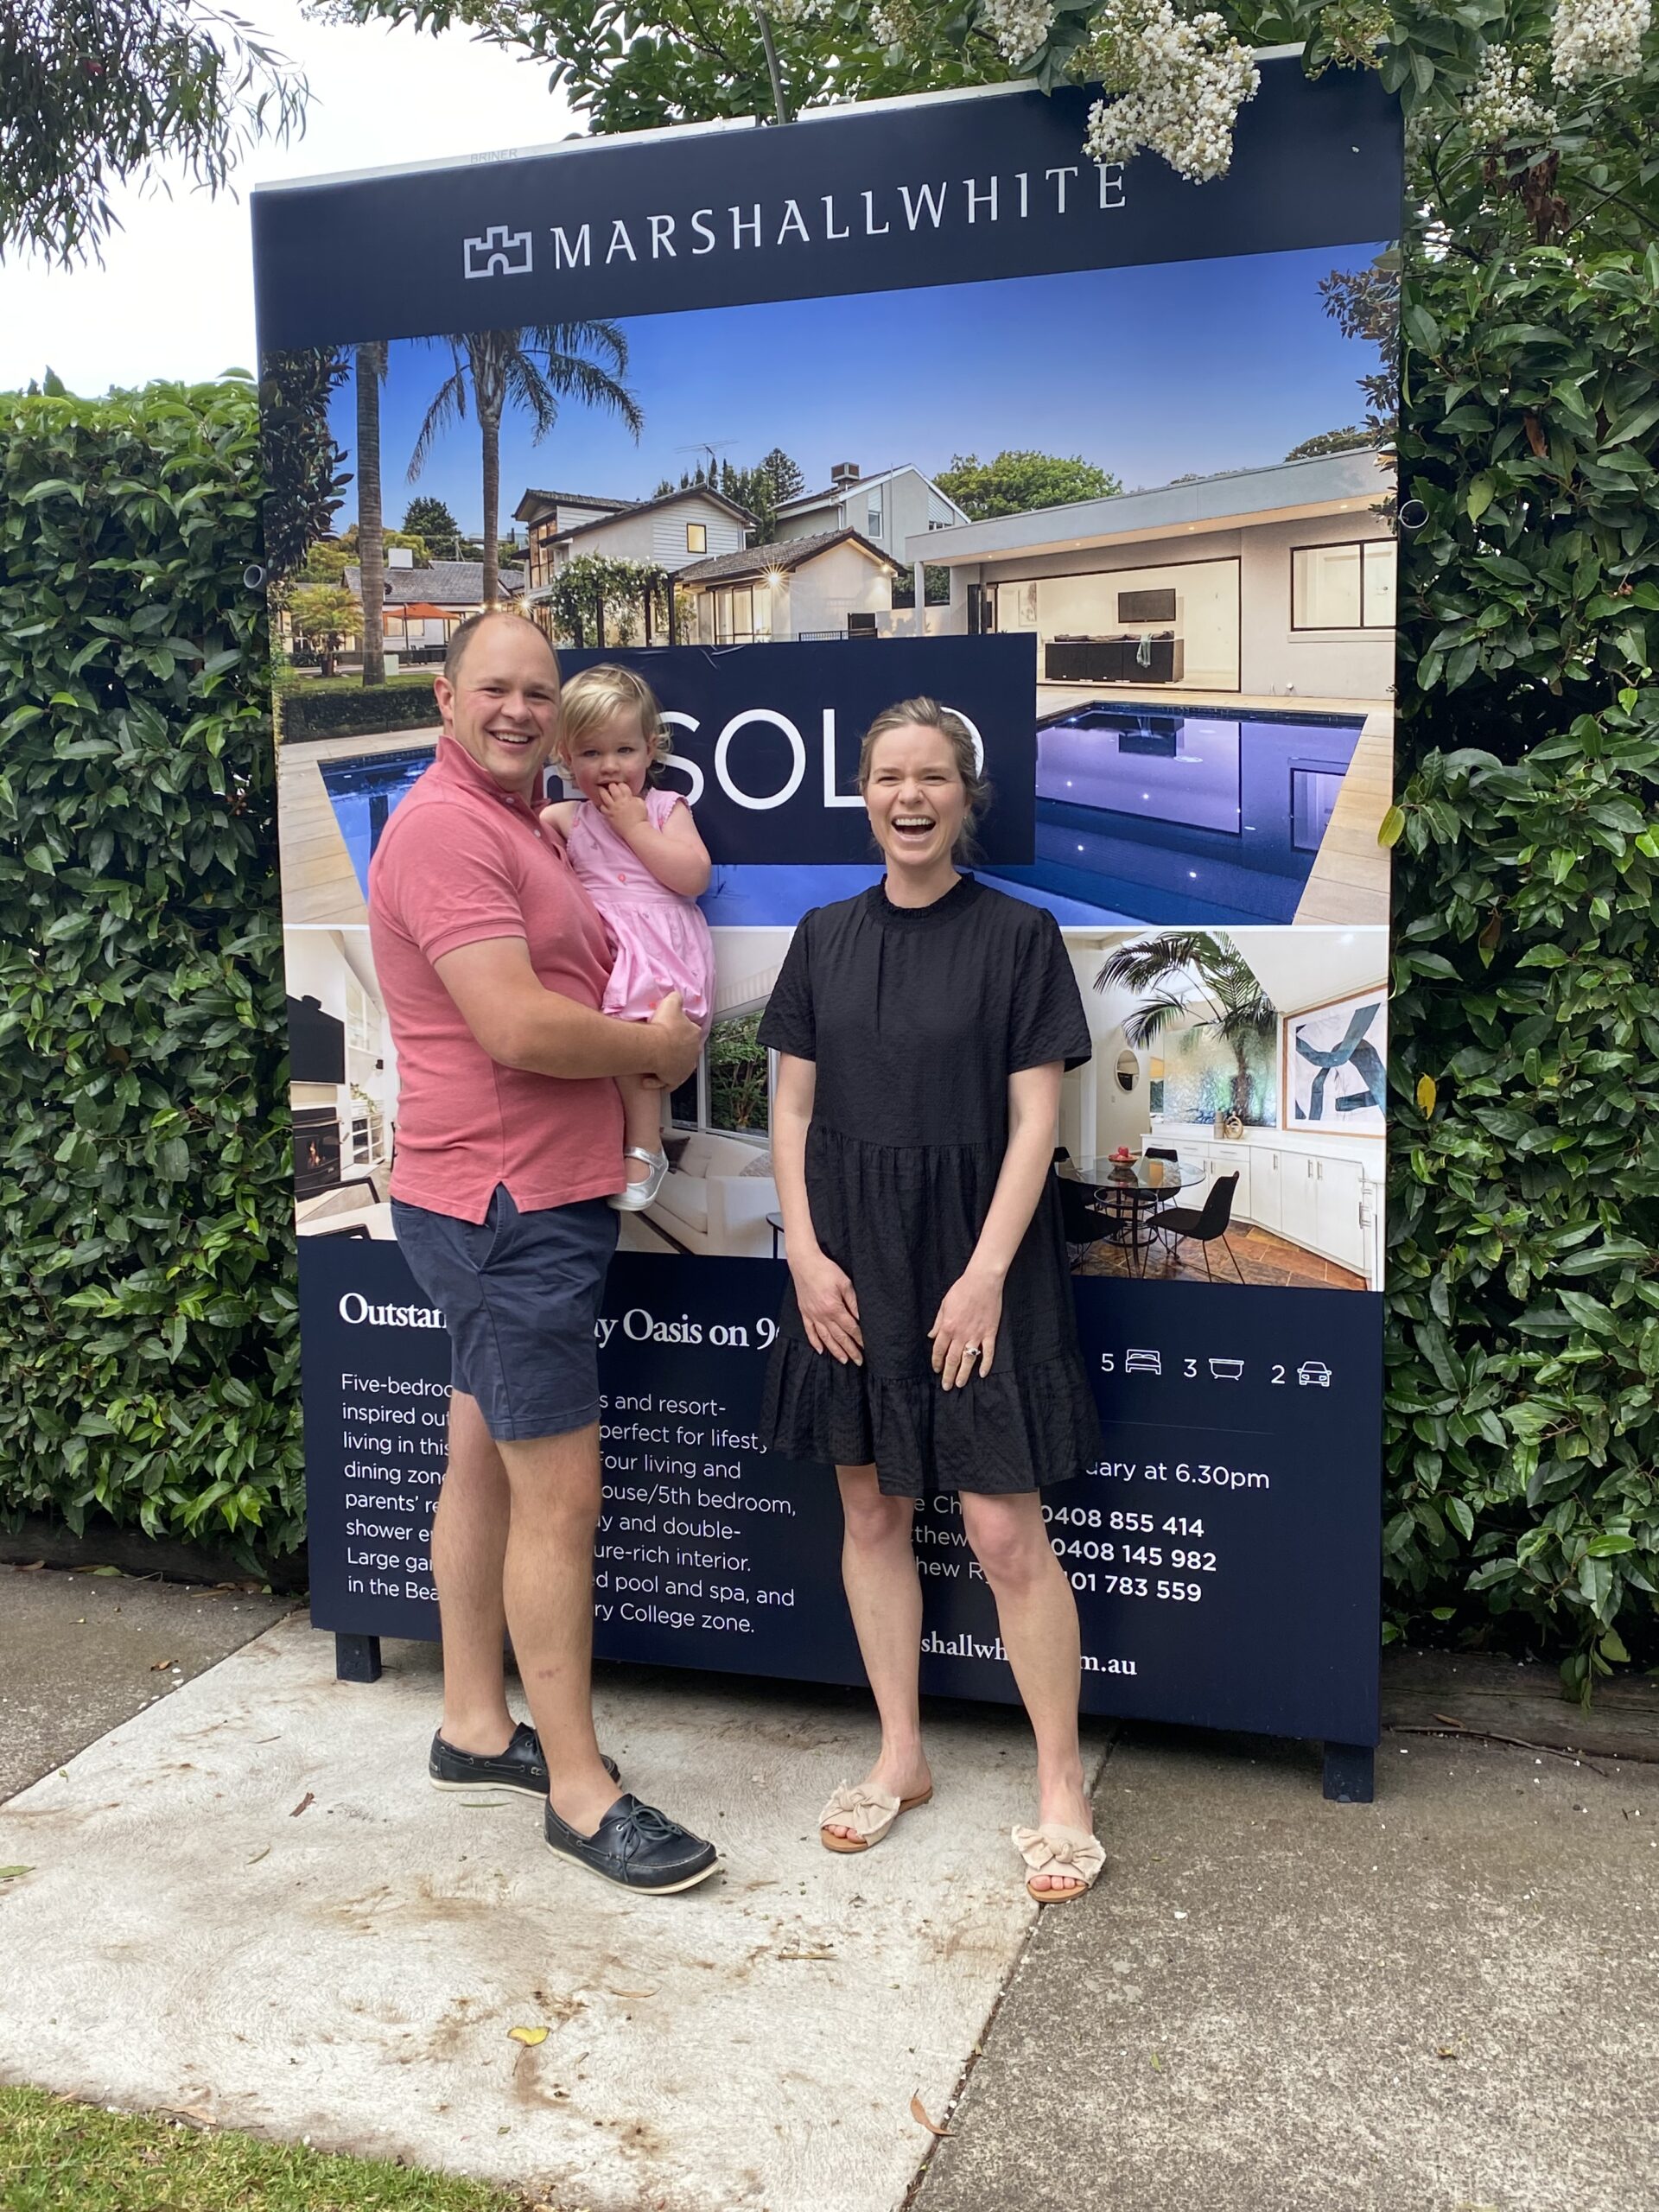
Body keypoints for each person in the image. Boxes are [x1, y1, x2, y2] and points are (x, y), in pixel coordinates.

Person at [367, 610, 718, 1895]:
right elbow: (516, 1026)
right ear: (446, 698)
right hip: (508, 1208)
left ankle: (473, 1721)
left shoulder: (517, 821)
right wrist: (656, 1055)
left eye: (539, 691)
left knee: (483, 1453)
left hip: (506, 1195)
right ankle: (579, 1791)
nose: (519, 709)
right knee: (559, 1497)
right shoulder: (454, 829)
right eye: (495, 690)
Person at [759, 696, 1107, 1905]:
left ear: (966, 796)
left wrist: (987, 1275)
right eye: (888, 777)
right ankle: (900, 1758)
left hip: (978, 1262)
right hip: (851, 1263)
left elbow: (1034, 1125)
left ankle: (1062, 1786)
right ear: (865, 793)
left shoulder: (1019, 937)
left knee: (1009, 1535)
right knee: (869, 1516)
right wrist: (802, 1252)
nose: (910, 797)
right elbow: (792, 1113)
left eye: (932, 778)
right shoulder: (822, 936)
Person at [540, 664, 715, 1211]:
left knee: (637, 1042)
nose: (609, 766)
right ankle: (599, 1142)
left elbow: (693, 877)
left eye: (624, 751)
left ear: (650, 749)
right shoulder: (565, 819)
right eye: (591, 753)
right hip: (604, 948)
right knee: (587, 1041)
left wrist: (634, 828)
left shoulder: (664, 809)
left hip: (658, 950)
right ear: (565, 757)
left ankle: (645, 1147)